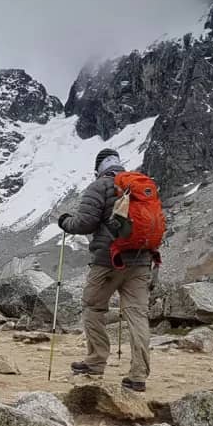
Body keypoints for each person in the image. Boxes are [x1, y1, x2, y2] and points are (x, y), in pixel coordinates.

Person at [57, 148, 154, 392]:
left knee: (93, 306)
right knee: (137, 314)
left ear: (98, 168)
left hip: (109, 260)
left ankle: (96, 360)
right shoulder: (141, 186)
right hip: (141, 260)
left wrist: (65, 222)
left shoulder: (99, 187)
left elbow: (85, 223)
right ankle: (138, 375)